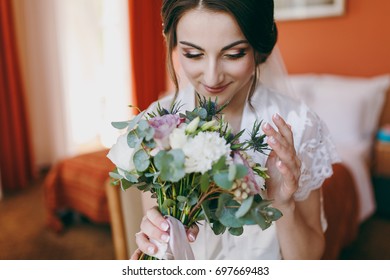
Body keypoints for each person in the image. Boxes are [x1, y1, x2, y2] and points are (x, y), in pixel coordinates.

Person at [131, 0, 339, 260]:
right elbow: (164, 249)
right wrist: (154, 247)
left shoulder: (298, 123)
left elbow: (308, 261)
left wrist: (282, 204)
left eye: (233, 54)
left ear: (258, 48)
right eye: (193, 54)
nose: (211, 77)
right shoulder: (156, 126)